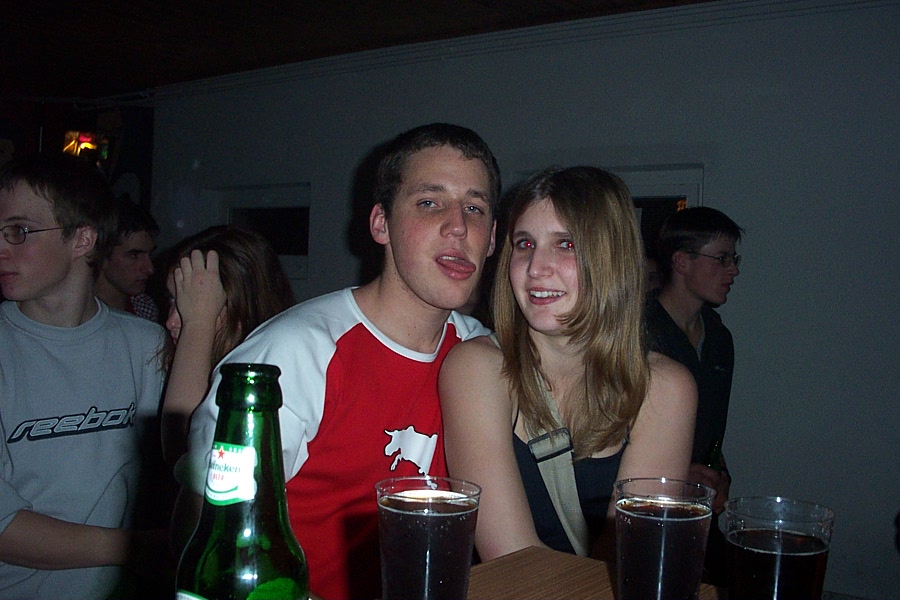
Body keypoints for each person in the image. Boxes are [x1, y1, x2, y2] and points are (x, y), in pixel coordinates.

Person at [174, 123, 500, 600]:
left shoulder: (480, 353)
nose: (459, 227)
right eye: (430, 202)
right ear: (380, 224)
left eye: (475, 208)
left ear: (491, 240)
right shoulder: (295, 353)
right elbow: (202, 529)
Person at [439, 166, 697, 561]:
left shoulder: (665, 387)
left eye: (567, 244)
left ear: (612, 259)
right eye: (525, 244)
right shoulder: (477, 369)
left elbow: (627, 562)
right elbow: (511, 558)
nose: (536, 267)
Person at [0, 154, 166, 599]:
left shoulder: (145, 344)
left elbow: (170, 469)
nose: (2, 249)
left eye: (19, 232)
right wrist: (144, 548)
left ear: (82, 239)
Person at [644, 205, 742, 585]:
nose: (733, 270)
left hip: (699, 510)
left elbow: (711, 428)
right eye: (722, 259)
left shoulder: (719, 339)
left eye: (734, 259)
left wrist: (721, 474)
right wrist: (673, 472)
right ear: (682, 261)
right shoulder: (636, 333)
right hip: (644, 506)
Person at [159, 224, 296, 465]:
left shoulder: (278, 375)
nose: (170, 322)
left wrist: (198, 323)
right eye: (172, 301)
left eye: (192, 303)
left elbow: (188, 457)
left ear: (242, 308)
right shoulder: (161, 360)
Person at [95, 198, 160, 321]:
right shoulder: (75, 311)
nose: (149, 268)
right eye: (133, 256)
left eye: (150, 254)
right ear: (101, 255)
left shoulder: (144, 308)